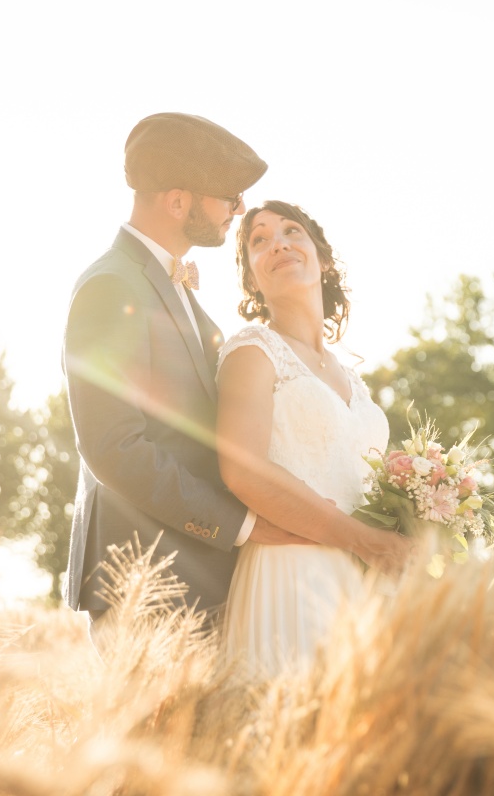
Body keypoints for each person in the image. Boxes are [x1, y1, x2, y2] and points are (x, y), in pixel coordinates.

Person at [62, 113, 307, 640]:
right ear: (177, 203)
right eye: (228, 195)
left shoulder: (174, 288)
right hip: (145, 585)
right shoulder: (111, 286)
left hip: (201, 582)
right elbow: (112, 445)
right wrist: (243, 526)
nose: (238, 209)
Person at [216, 200, 413, 675]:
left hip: (367, 584)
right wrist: (362, 540)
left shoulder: (353, 379)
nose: (277, 242)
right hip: (293, 575)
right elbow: (242, 470)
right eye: (258, 241)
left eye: (290, 231)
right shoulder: (252, 352)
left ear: (322, 258)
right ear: (252, 280)